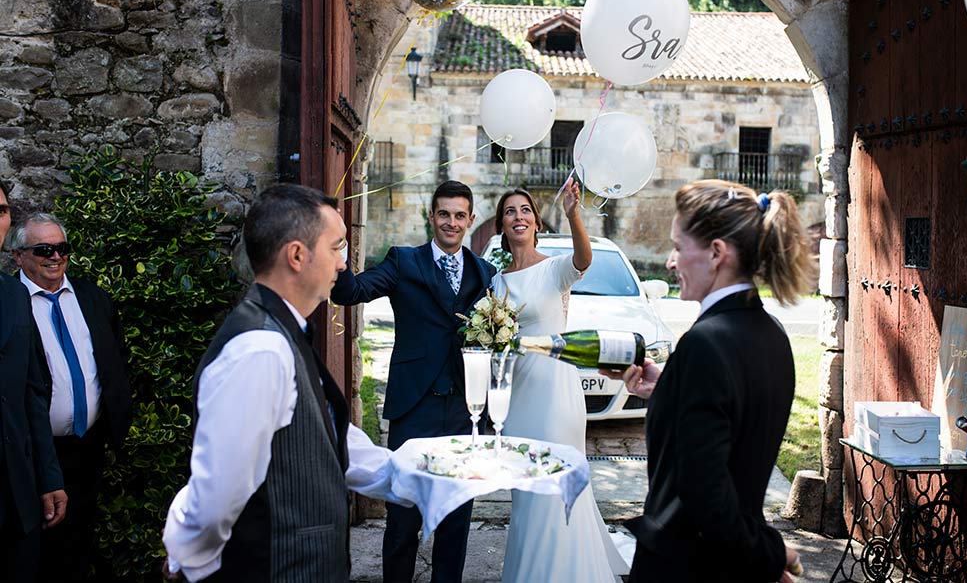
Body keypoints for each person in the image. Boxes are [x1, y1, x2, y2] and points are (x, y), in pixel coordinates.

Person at [163, 184, 402, 581]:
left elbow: (321, 434)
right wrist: (187, 558)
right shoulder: (260, 349)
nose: (343, 264)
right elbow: (219, 491)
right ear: (296, 255)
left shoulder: (284, 331)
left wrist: (425, 472)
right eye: (336, 247)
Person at [607, 180, 812, 583]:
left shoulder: (703, 343)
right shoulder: (772, 334)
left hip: (690, 567)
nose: (670, 262)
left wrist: (772, 555)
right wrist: (669, 387)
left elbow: (705, 497)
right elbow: (735, 428)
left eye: (679, 247)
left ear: (717, 253)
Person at [330, 180, 496, 583]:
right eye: (444, 214)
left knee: (456, 521)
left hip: (463, 411)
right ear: (431, 216)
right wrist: (337, 245)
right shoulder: (403, 261)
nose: (451, 223)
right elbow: (350, 292)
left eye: (459, 215)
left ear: (471, 219)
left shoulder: (485, 273)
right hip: (414, 407)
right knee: (403, 519)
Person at [488, 182, 628, 582]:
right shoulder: (497, 282)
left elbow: (583, 260)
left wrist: (573, 214)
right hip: (518, 393)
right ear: (502, 223)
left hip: (554, 391)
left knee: (552, 482)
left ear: (536, 222)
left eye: (526, 210)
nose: (519, 216)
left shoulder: (553, 269)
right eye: (511, 211)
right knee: (526, 490)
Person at [10, 213, 132, 583]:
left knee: (80, 546)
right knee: (37, 551)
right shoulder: (10, 304)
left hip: (88, 445)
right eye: (44, 249)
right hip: (34, 451)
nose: (55, 256)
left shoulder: (93, 297)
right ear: (18, 256)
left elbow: (115, 358)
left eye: (62, 248)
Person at [0, 182, 67, 582]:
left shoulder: (13, 295)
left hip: (17, 500)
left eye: (2, 211)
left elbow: (31, 393)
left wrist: (48, 477)